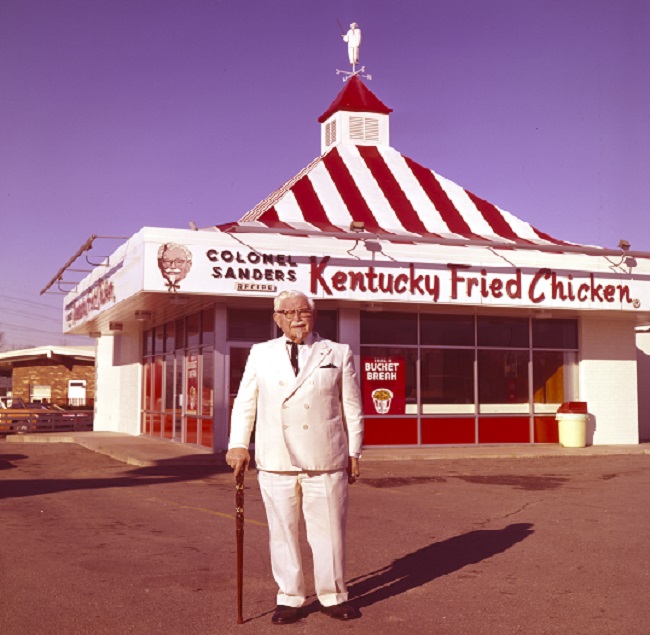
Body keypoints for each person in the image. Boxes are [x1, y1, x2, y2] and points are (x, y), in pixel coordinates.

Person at [226, 290, 364, 624]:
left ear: (314, 316)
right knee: (282, 530)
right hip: (276, 457)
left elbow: (352, 405)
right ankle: (290, 597)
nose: (296, 317)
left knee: (329, 531)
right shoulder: (260, 354)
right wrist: (239, 445)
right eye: (287, 312)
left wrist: (354, 451)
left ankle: (333, 595)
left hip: (325, 456)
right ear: (277, 318)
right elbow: (246, 402)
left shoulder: (337, 352)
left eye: (303, 311)